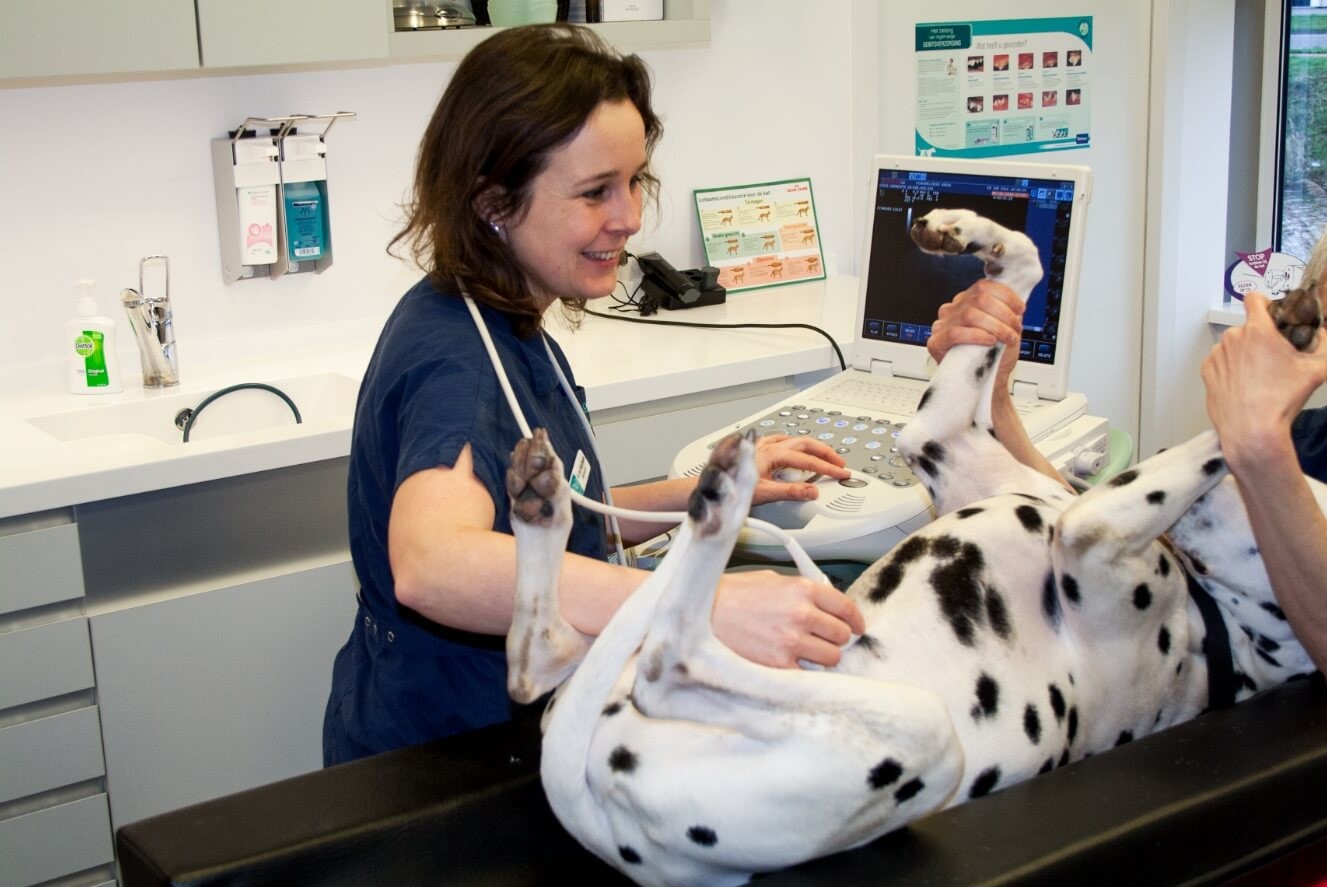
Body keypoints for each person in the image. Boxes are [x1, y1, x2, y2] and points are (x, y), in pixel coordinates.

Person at [323, 24, 863, 766]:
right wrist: (698, 608)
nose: (631, 216)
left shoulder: (505, 318)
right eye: (594, 192)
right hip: (451, 765)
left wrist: (700, 490)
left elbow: (550, 524)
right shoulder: (459, 363)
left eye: (634, 180)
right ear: (493, 202)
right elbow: (431, 564)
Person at [926, 275, 1327, 674]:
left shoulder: (1273, 441)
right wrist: (990, 396)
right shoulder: (1303, 438)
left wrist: (1259, 448)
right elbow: (1108, 547)